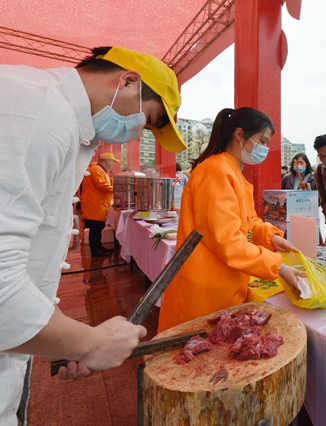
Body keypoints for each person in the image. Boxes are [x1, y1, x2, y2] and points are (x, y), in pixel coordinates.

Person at [0, 45, 185, 424]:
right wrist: (91, 343)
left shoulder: (64, 120)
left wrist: (60, 338)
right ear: (128, 81)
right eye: (146, 120)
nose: (139, 131)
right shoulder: (39, 112)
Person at [158, 107, 306, 332]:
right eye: (262, 141)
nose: (265, 149)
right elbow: (228, 241)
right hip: (205, 290)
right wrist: (279, 267)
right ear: (239, 135)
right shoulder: (216, 170)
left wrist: (270, 237)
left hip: (224, 284)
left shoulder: (233, 170)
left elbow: (247, 222)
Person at [81, 152, 119, 257]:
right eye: (113, 161)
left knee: (98, 227)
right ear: (106, 160)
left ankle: (99, 247)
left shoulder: (100, 170)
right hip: (94, 203)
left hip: (98, 203)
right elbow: (101, 185)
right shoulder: (96, 169)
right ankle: (95, 250)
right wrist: (118, 190)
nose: (113, 164)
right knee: (95, 228)